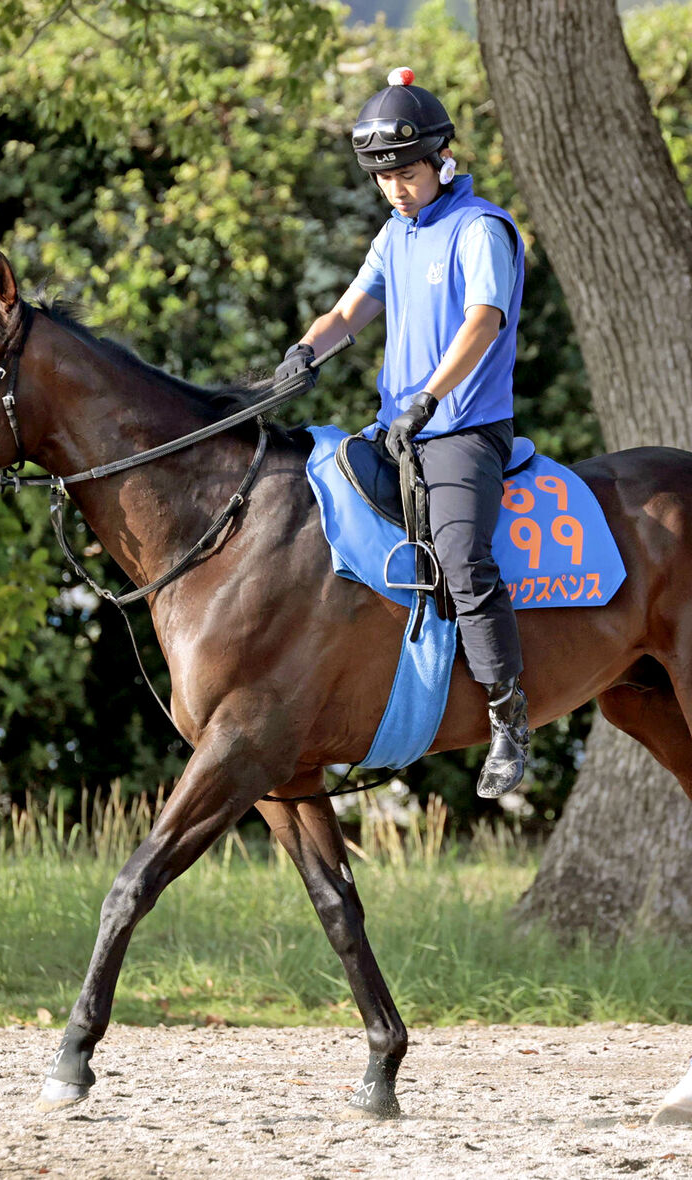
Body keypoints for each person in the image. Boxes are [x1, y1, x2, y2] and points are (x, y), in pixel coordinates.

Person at [277, 67, 530, 798]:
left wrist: (428, 396)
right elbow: (351, 313)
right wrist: (303, 354)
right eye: (383, 177)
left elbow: (483, 321)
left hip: (462, 431)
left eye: (407, 173)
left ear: (441, 158)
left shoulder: (481, 229)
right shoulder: (396, 236)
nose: (395, 188)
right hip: (398, 430)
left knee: (461, 560)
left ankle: (509, 719)